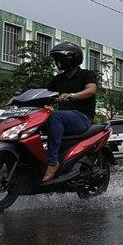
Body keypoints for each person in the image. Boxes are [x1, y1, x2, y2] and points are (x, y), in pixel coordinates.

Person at [43, 42, 98, 181]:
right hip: (65, 118)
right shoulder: (58, 79)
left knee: (54, 116)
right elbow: (43, 93)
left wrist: (72, 95)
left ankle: (52, 163)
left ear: (72, 59)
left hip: (82, 117)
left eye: (60, 59)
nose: (58, 62)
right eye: (57, 59)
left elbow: (91, 90)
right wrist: (18, 98)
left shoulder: (87, 74)